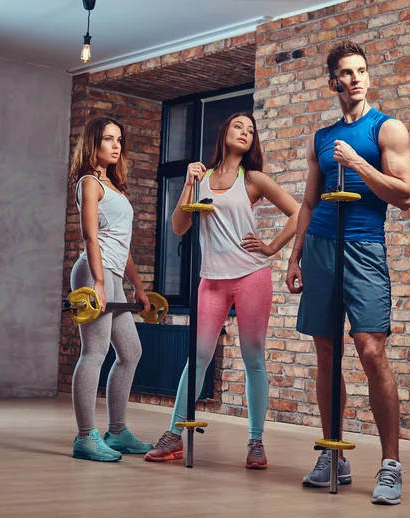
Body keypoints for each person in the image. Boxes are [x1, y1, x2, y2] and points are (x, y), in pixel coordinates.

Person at [286, 41, 410, 505]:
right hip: (320, 244)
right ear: (333, 82)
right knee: (326, 350)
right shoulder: (320, 138)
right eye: (347, 72)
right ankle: (333, 455)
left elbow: (404, 194)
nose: (356, 78)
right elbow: (307, 201)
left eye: (362, 70)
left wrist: (358, 162)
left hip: (364, 246)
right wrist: (295, 254)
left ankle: (390, 464)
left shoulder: (387, 128)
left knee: (370, 350)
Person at [145, 112, 299, 469]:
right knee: (196, 359)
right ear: (224, 133)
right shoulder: (201, 178)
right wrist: (187, 182)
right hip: (211, 280)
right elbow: (179, 226)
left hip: (251, 277)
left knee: (253, 359)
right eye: (238, 127)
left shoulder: (254, 179)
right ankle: (174, 435)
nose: (245, 133)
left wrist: (273, 247)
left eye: (250, 130)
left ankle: (256, 441)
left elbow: (298, 211)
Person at [68, 116, 153, 462]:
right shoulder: (89, 182)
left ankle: (116, 433)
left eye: (119, 139)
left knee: (130, 352)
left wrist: (139, 286)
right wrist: (100, 283)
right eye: (108, 139)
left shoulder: (115, 187)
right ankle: (85, 436)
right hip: (92, 273)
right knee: (94, 352)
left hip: (114, 275)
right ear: (94, 144)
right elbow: (91, 236)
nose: (116, 145)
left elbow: (122, 245)